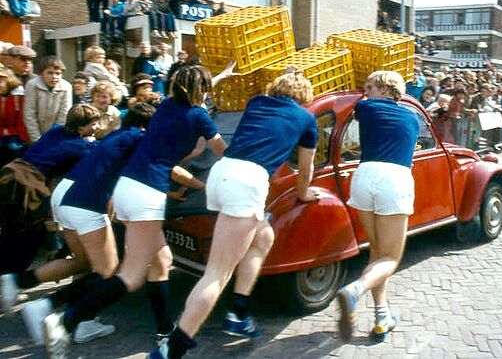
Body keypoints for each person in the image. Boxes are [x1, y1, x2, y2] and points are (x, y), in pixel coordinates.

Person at [42, 63, 239, 358]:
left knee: (163, 259)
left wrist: (219, 76)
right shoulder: (198, 115)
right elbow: (224, 152)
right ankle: (65, 321)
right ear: (201, 90)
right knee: (132, 276)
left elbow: (193, 92)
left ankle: (165, 329)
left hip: (127, 188)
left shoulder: (168, 105)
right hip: (148, 193)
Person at [148, 70, 320, 359]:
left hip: (222, 172)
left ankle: (239, 312)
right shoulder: (307, 119)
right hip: (248, 181)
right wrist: (303, 194)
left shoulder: (256, 102)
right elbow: (306, 168)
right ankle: (174, 346)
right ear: (304, 97)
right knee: (217, 273)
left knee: (263, 237)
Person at [17, 103, 156, 346]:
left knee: (85, 263)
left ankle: (64, 311)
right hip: (84, 202)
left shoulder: (115, 135)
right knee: (108, 270)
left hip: (65, 196)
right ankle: (53, 308)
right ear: (145, 126)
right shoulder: (138, 137)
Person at [335, 71, 419, 343]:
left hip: (365, 175)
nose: (365, 90)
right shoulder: (412, 117)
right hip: (394, 178)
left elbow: (356, 109)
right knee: (390, 259)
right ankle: (355, 291)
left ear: (386, 89)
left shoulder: (365, 107)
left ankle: (382, 317)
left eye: (370, 86)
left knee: (378, 254)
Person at [0, 104, 101, 307]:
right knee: (29, 236)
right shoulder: (80, 147)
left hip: (9, 174)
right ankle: (9, 279)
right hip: (28, 185)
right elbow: (99, 153)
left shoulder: (56, 130)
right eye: (94, 123)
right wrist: (91, 142)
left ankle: (8, 278)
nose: (97, 127)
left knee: (10, 231)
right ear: (82, 127)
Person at [23, 56, 73, 143]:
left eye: (58, 73)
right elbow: (29, 114)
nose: (54, 77)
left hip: (56, 134)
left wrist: (53, 137)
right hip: (35, 133)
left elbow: (64, 115)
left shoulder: (66, 87)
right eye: (50, 73)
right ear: (41, 73)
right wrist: (37, 140)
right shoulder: (32, 85)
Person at [0, 66, 26, 165]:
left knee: (14, 151)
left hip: (14, 135)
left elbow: (21, 118)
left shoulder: (17, 97)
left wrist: (22, 138)